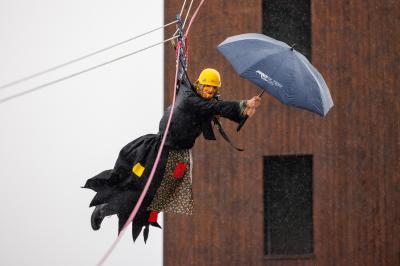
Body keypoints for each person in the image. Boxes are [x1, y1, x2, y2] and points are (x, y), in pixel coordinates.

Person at [83, 68, 261, 242]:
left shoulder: (204, 104)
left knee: (157, 199)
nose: (210, 91)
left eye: (214, 88)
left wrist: (244, 112)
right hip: (159, 152)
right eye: (207, 86)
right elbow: (214, 107)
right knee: (139, 188)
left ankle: (118, 210)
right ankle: (105, 208)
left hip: (178, 157)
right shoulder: (189, 97)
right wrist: (242, 105)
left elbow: (216, 108)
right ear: (199, 84)